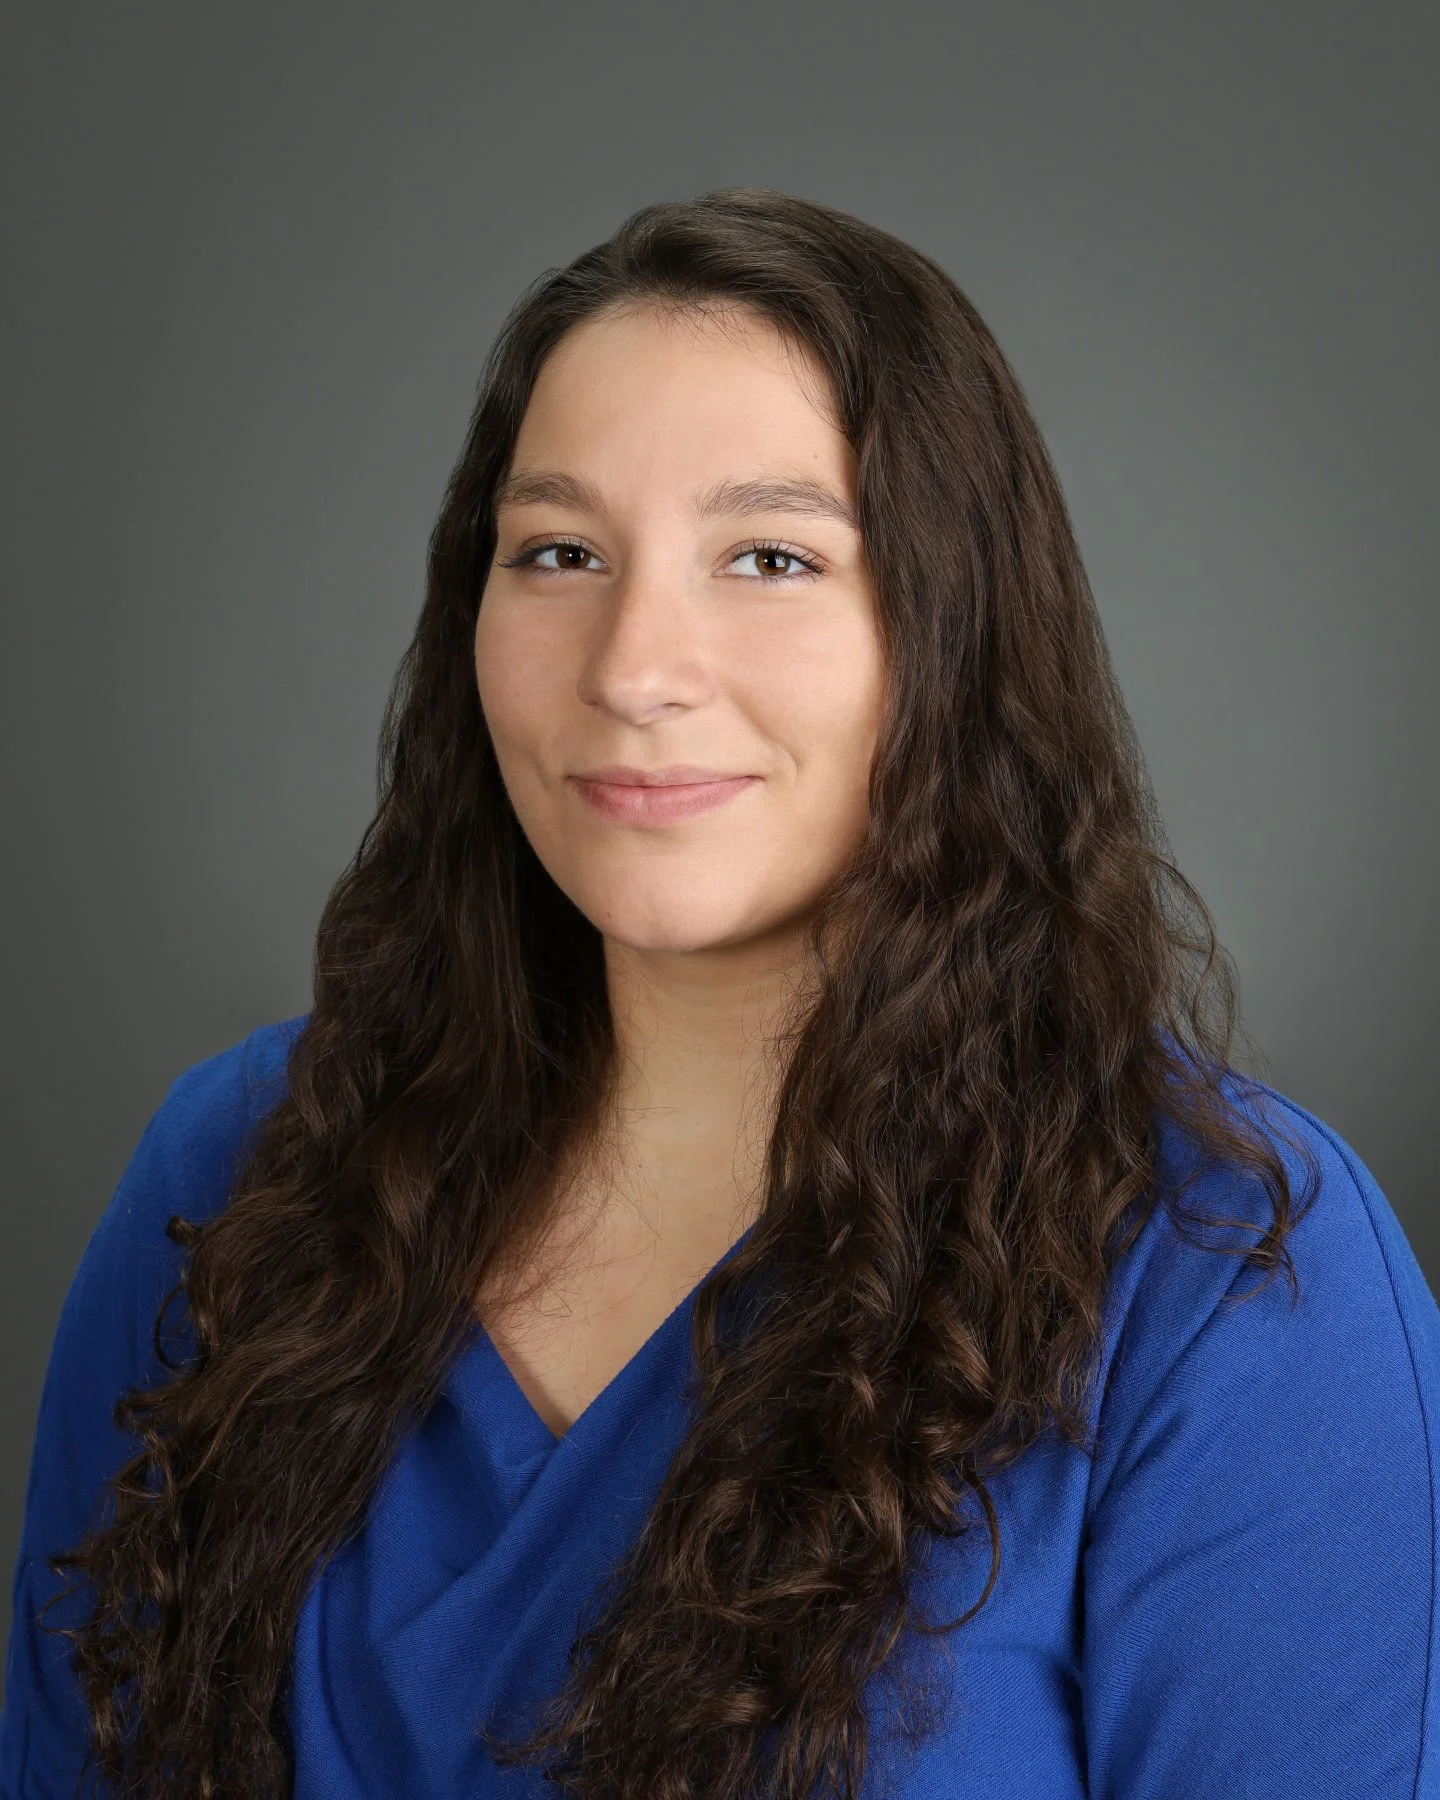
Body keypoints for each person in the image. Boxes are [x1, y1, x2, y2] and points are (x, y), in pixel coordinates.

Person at [2, 186, 1436, 1800]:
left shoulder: (1231, 1280)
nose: (633, 665)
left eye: (769, 555)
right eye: (559, 553)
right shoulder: (233, 1172)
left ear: (954, 636)